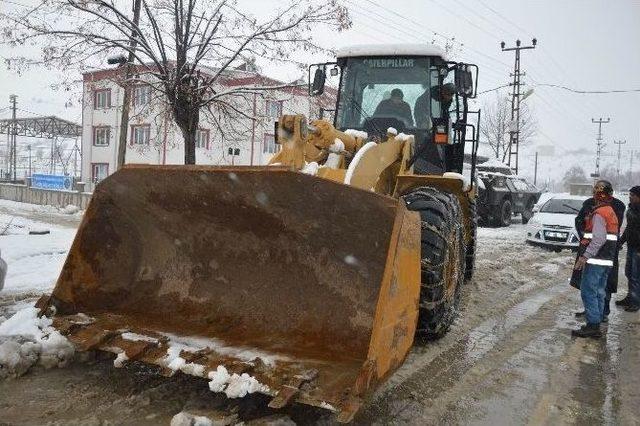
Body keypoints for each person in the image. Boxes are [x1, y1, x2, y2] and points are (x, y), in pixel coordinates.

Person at [572, 180, 619, 338]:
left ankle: (592, 325)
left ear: (598, 195)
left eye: (595, 192)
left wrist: (585, 256)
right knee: (599, 292)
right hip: (606, 260)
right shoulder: (610, 211)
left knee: (588, 291)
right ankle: (596, 323)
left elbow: (598, 239)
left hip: (596, 260)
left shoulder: (599, 213)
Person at [618, 186, 640, 312]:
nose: (630, 197)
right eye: (629, 194)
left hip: (638, 249)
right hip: (631, 246)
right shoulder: (631, 210)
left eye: (633, 195)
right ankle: (630, 297)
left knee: (636, 275)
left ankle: (636, 302)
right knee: (629, 273)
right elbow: (629, 228)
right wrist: (621, 241)